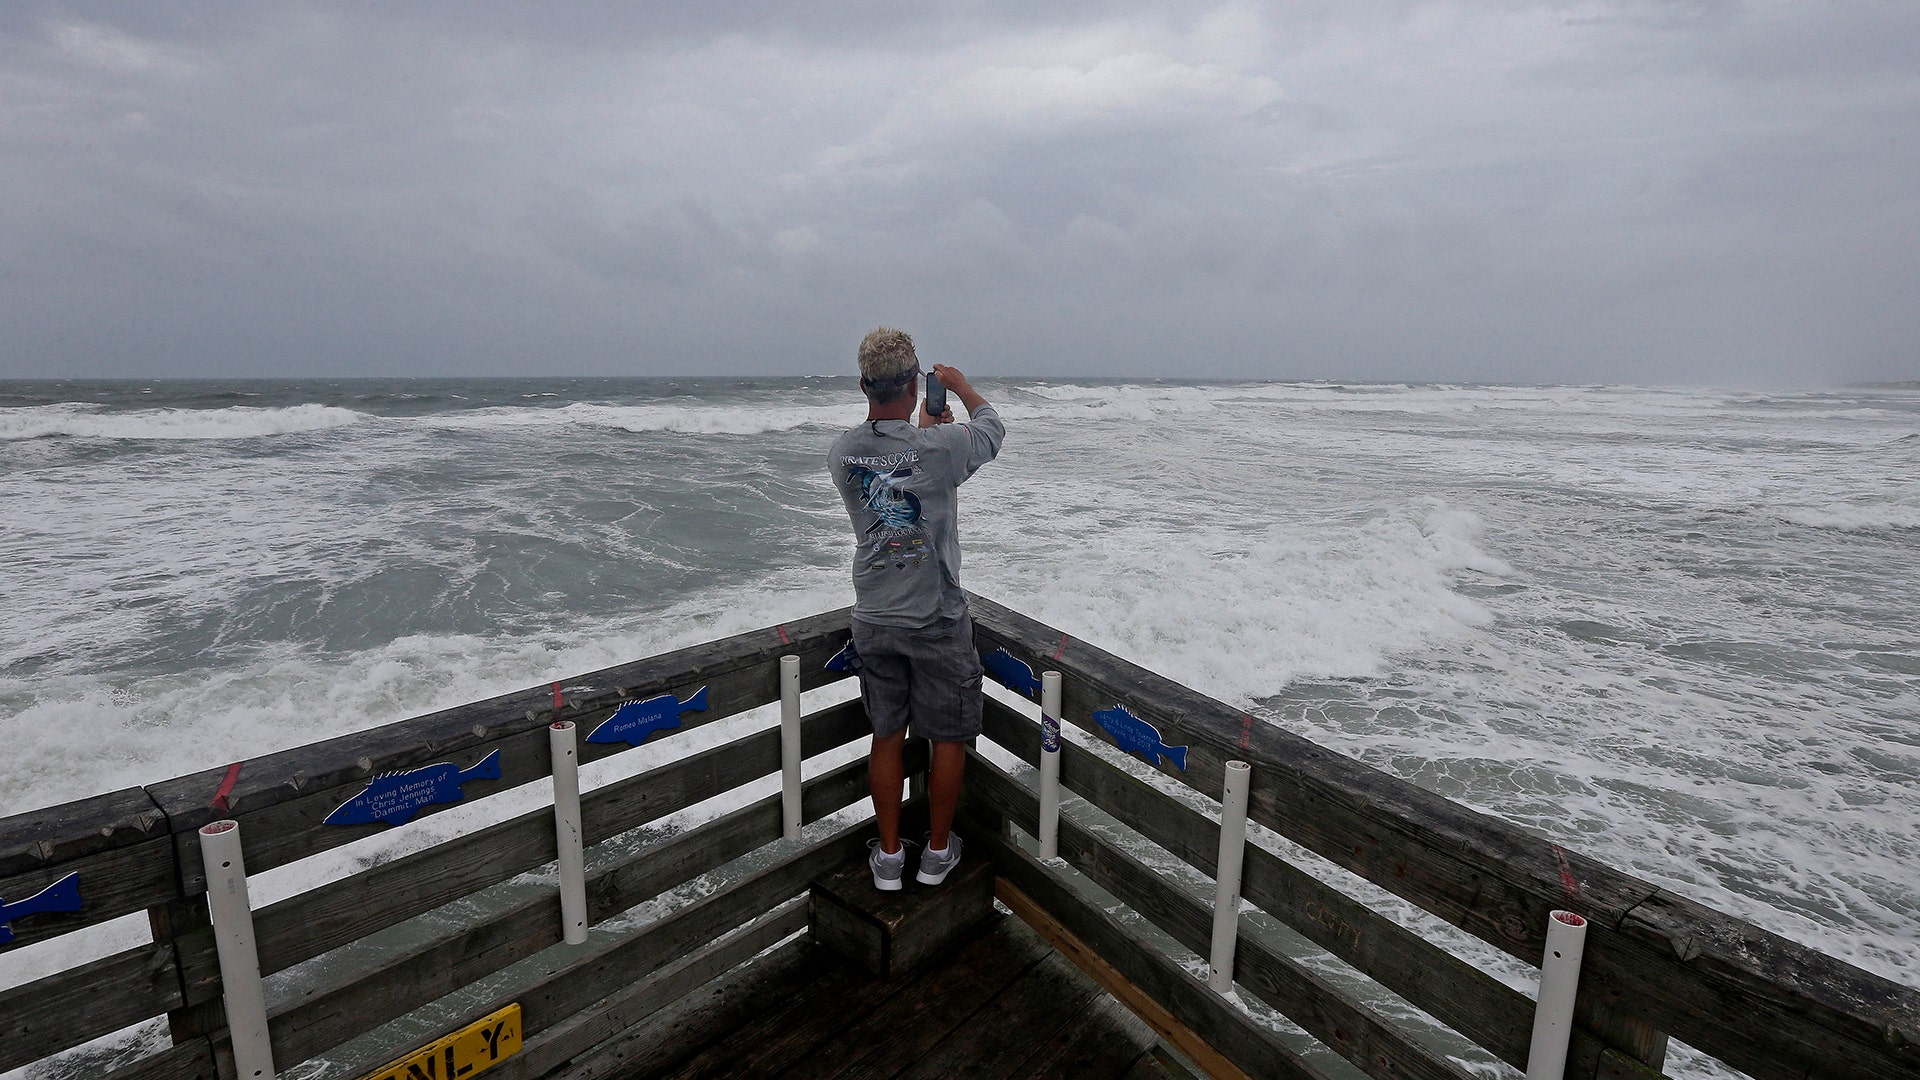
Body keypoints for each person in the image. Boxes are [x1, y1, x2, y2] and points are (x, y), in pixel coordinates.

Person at [827, 326, 1005, 891]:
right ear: (915, 382)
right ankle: (933, 854)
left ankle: (886, 857)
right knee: (946, 738)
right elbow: (992, 430)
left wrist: (921, 431)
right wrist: (959, 386)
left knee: (887, 736)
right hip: (936, 616)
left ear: (863, 384)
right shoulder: (942, 448)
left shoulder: (842, 452)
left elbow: (897, 463)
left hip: (874, 616)